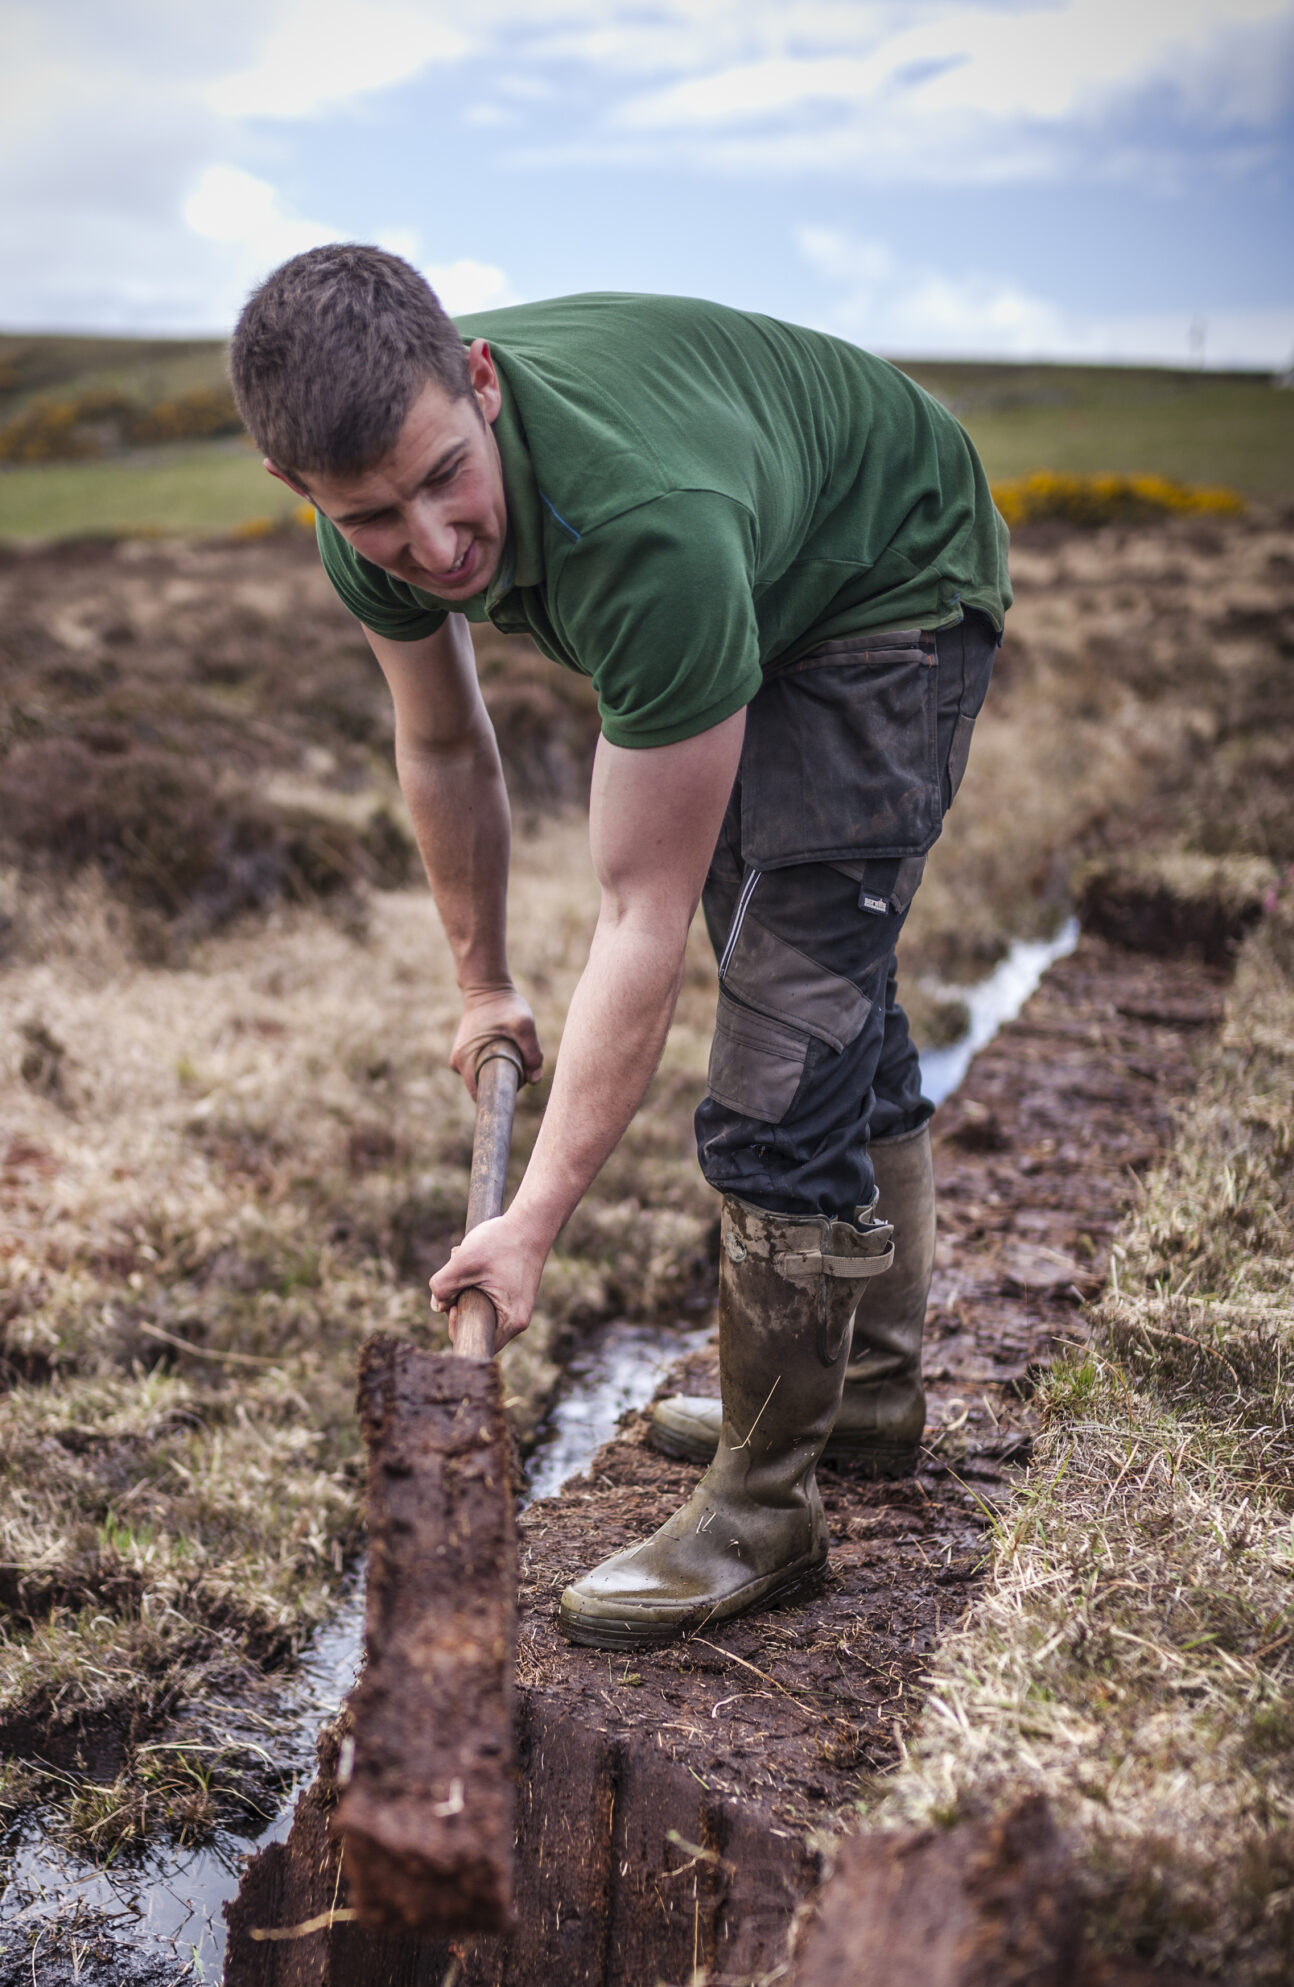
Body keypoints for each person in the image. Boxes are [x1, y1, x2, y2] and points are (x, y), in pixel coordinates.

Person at [229, 245, 1010, 1650]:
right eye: (374, 516)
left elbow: (638, 913)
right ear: (305, 493)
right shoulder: (373, 530)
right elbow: (443, 739)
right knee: (813, 984)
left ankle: (768, 1508)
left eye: (445, 478)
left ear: (481, 383)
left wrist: (529, 1227)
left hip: (890, 567)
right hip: (769, 559)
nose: (435, 544)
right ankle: (872, 1396)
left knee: (782, 1050)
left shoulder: (646, 529)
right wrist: (481, 982)